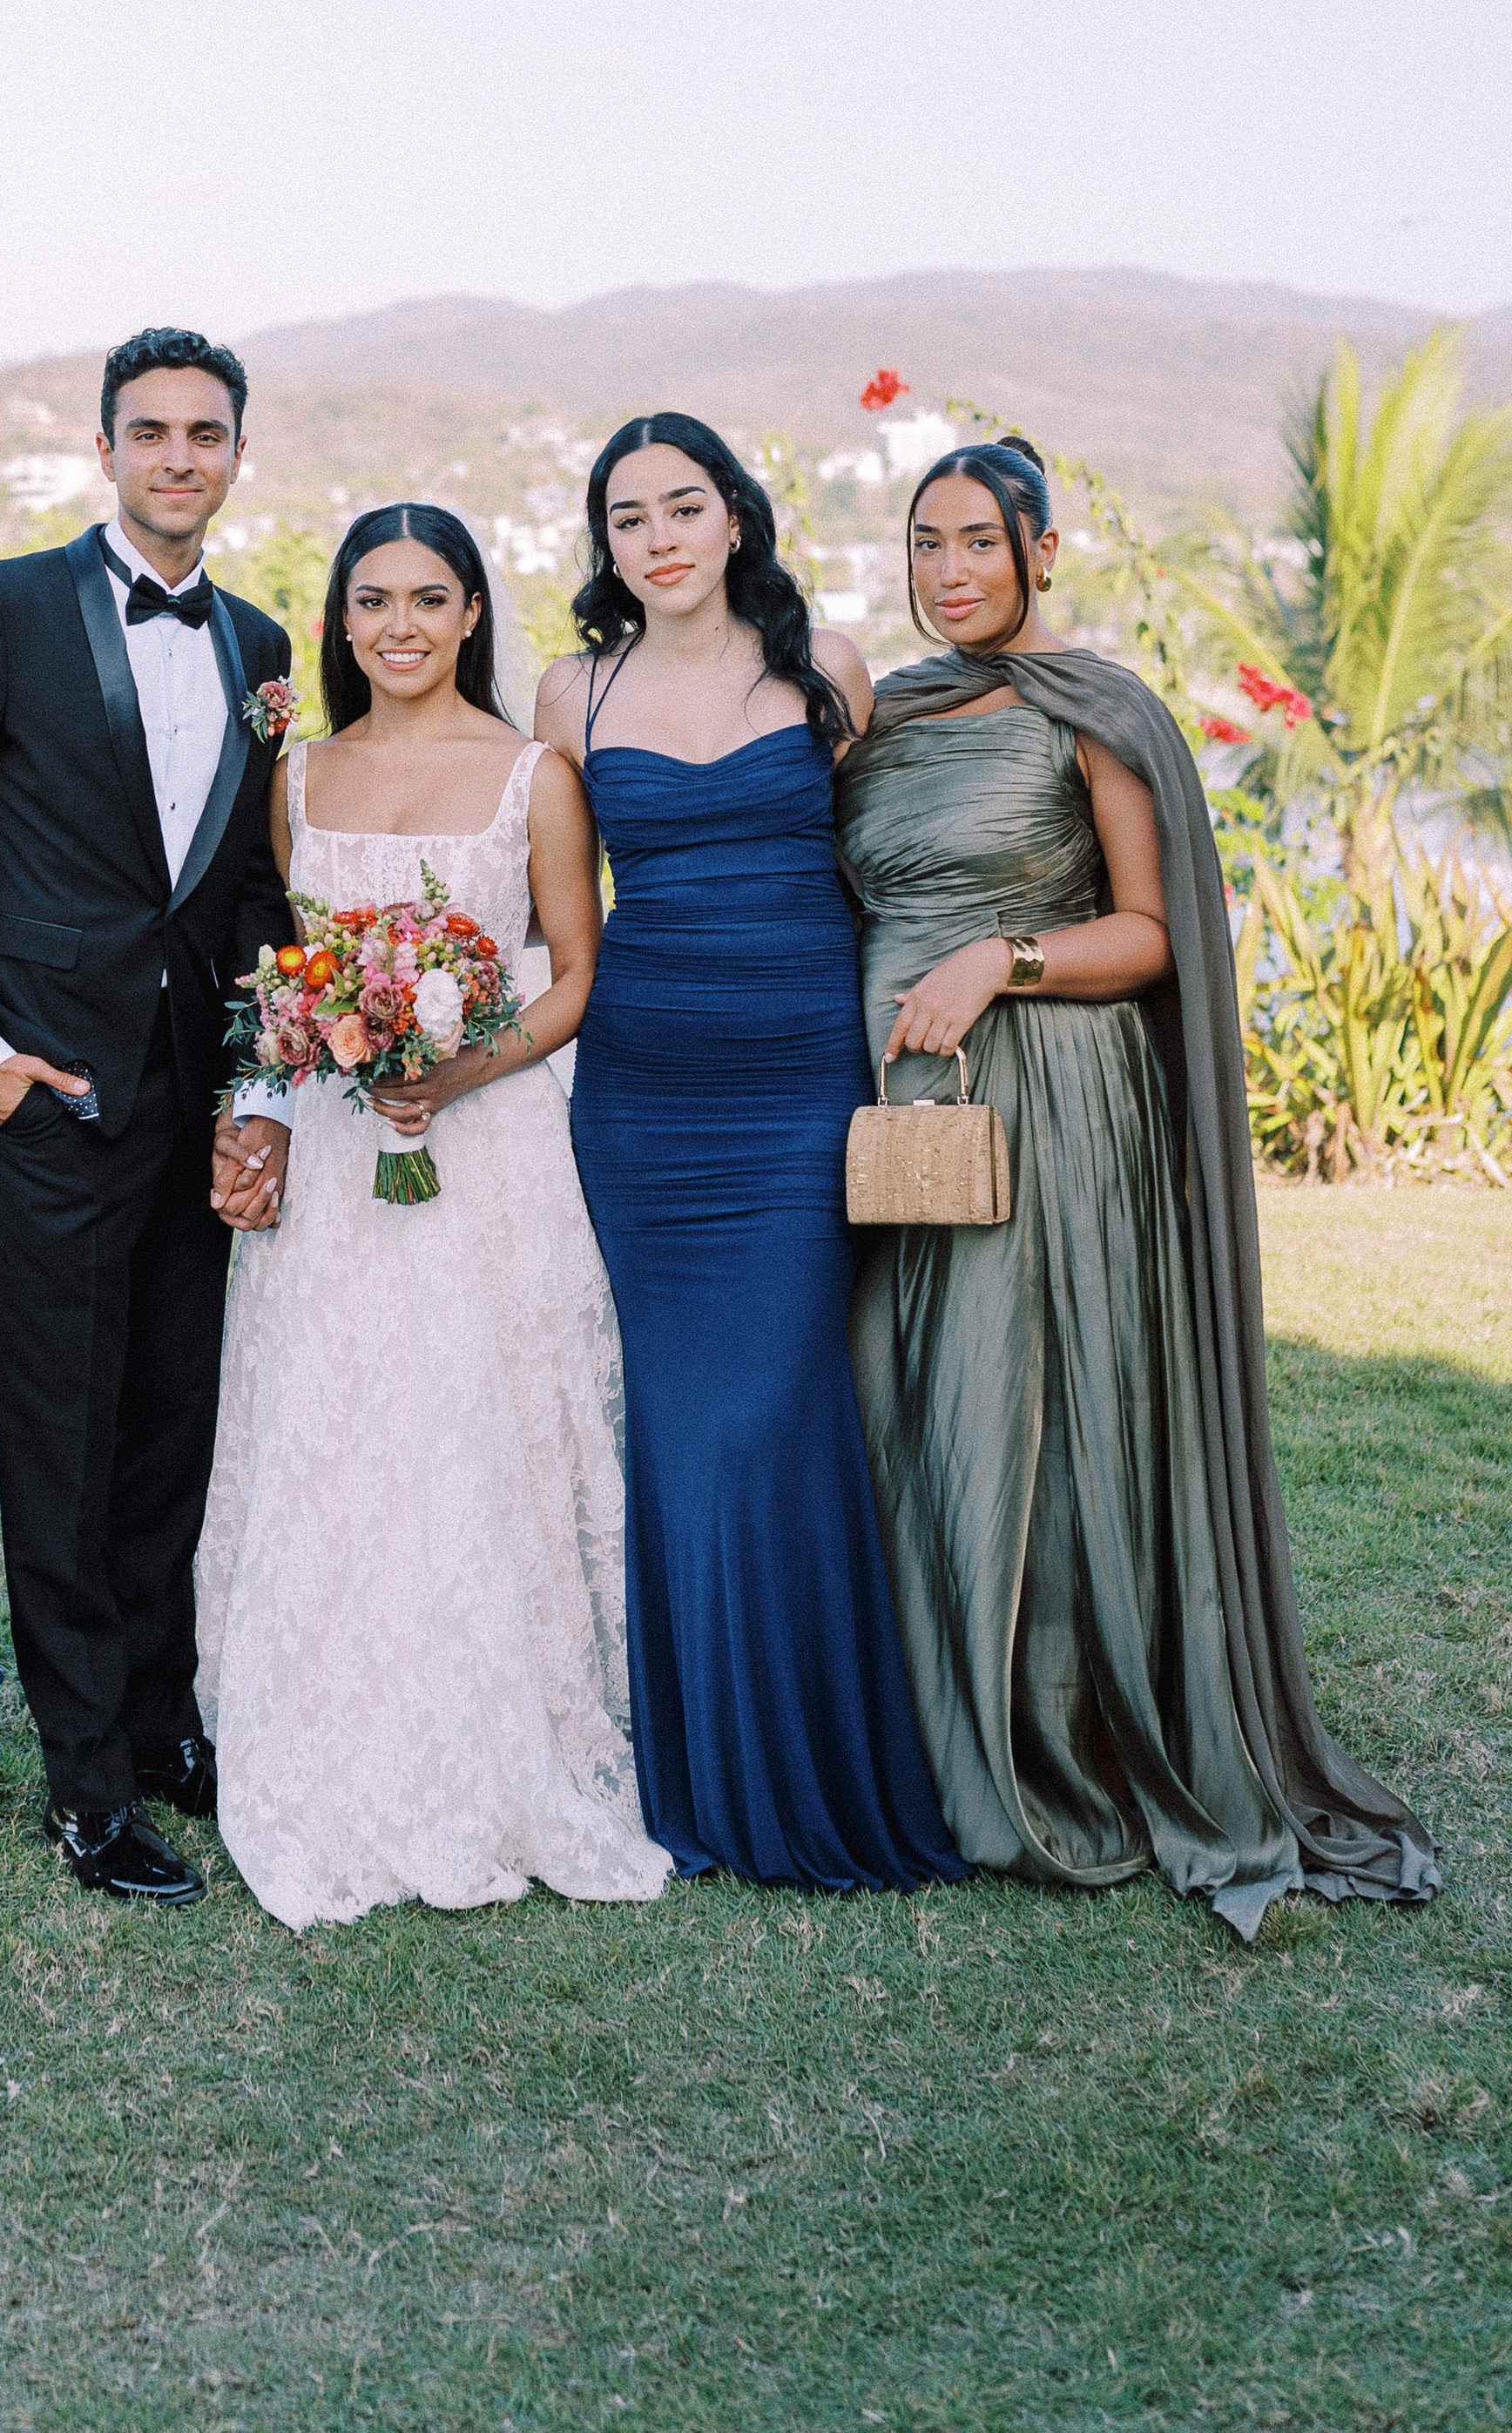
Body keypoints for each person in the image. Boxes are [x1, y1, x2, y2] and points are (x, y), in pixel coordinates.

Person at [836, 437, 1438, 1937]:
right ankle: (928, 1732)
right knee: (900, 1400)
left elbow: (1157, 933)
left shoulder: (1093, 712)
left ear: (1043, 551)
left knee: (1017, 1404)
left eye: (978, 542)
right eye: (925, 546)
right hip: (904, 1100)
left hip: (1052, 1094)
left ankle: (1055, 1740)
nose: (949, 572)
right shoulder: (886, 718)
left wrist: (1004, 960)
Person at [194, 504, 669, 1930]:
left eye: (430, 599)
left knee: (476, 1426)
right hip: (343, 1161)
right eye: (373, 601)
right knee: (338, 1428)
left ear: (472, 615)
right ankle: (326, 1729)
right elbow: (284, 980)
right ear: (339, 621)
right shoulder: (300, 774)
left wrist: (460, 1068)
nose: (400, 625)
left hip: (491, 1148)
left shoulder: (538, 776)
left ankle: (502, 1733)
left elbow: (576, 972)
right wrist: (267, 1107)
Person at [0, 329, 296, 1907]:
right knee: (59, 1439)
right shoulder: (1, 610)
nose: (179, 456)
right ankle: (83, 1789)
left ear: (239, 455)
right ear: (103, 449)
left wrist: (258, 1088)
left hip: (199, 1108)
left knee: (169, 1428)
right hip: (50, 1100)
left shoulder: (259, 644)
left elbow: (250, 891)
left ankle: (153, 1720)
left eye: (207, 433)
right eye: (151, 431)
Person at [537, 414, 967, 1895]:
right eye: (627, 517)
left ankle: (811, 1773)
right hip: (645, 1094)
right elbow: (536, 898)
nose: (656, 538)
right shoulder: (571, 691)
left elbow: (910, 848)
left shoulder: (826, 668)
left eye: (683, 507)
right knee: (676, 1429)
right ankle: (697, 1779)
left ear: (736, 522)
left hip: (798, 1085)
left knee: (773, 1415)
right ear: (605, 546)